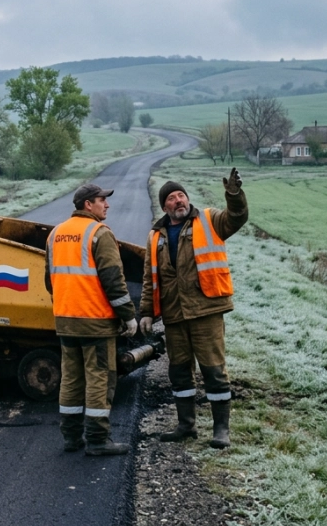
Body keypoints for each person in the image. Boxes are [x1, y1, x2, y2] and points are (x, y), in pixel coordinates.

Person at [139, 168, 248, 449]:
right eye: (172, 198)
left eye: (181, 195)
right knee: (178, 372)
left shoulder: (210, 220)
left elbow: (237, 218)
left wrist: (234, 195)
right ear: (165, 206)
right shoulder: (155, 236)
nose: (179, 200)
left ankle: (221, 429)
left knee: (213, 371)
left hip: (205, 311)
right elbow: (150, 279)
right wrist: (147, 312)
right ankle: (186, 426)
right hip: (175, 315)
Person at [46, 183, 138, 456]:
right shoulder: (99, 233)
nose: (106, 205)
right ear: (88, 204)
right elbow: (114, 281)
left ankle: (72, 438)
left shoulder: (55, 234)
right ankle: (98, 439)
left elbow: (50, 282)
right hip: (95, 323)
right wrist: (129, 317)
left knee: (71, 380)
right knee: (100, 378)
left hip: (65, 321)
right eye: (102, 200)